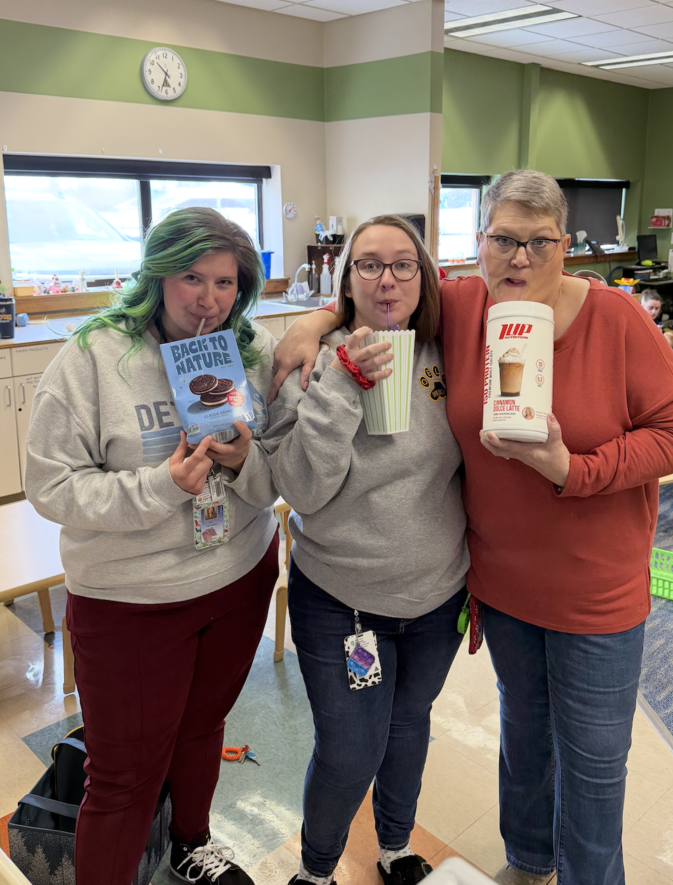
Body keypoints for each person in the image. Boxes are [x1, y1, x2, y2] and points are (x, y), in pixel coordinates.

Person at [270, 172, 673, 885]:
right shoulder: (466, 305)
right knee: (523, 742)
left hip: (593, 591)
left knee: (593, 767)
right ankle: (528, 864)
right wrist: (313, 321)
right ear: (480, 243)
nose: (520, 259)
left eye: (539, 242)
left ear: (565, 245)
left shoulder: (616, 318)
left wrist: (574, 468)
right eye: (504, 240)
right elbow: (383, 288)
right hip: (498, 587)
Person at [26, 208, 280, 885]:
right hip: (131, 597)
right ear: (157, 275)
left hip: (238, 576)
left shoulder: (251, 350)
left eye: (225, 282)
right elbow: (51, 487)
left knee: (203, 726)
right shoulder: (92, 358)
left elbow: (281, 468)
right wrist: (159, 487)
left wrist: (244, 461)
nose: (208, 299)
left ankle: (191, 844)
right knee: (124, 774)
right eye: (191, 277)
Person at [259, 216, 468, 885]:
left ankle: (395, 849)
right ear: (345, 280)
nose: (387, 279)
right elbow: (302, 490)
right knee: (351, 751)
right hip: (343, 603)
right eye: (368, 264)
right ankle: (317, 871)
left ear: (424, 276)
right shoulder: (310, 362)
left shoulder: (451, 351)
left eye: (404, 264)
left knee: (408, 729)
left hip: (438, 597)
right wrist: (343, 380)